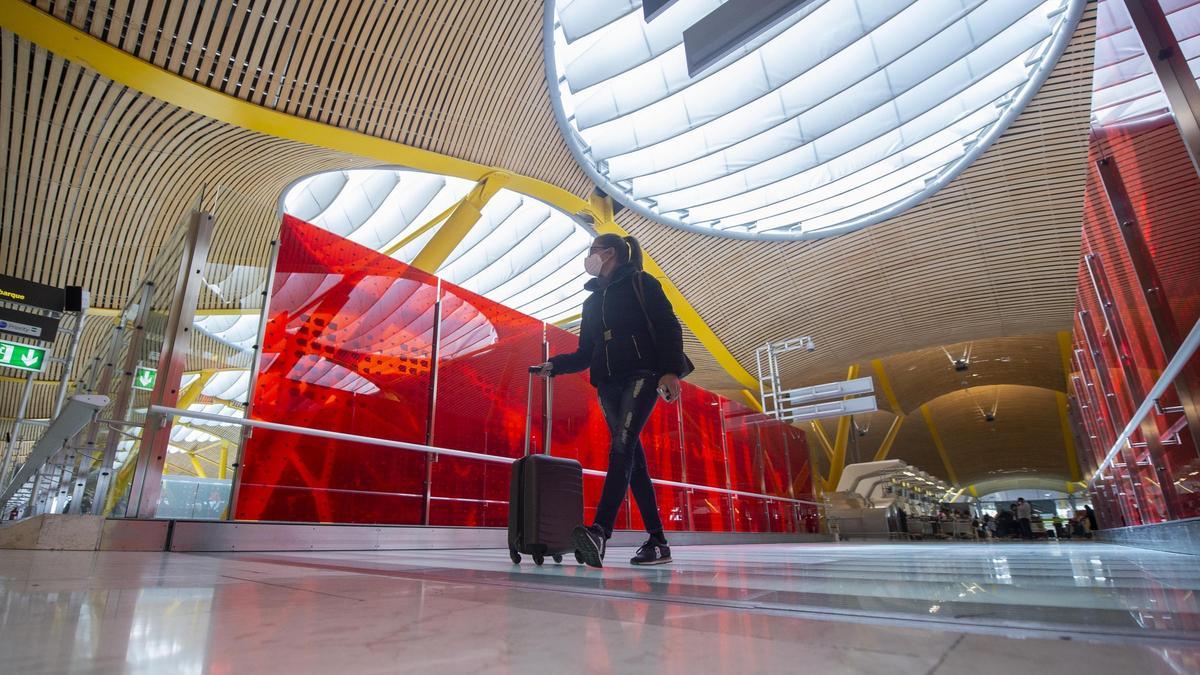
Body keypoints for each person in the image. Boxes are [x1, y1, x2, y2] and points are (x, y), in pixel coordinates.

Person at [536, 233, 687, 568]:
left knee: (621, 446)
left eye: (592, 252)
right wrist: (555, 366)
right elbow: (585, 352)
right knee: (633, 460)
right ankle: (658, 541)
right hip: (606, 381)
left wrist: (670, 371)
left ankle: (600, 530)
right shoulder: (592, 302)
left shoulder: (640, 282)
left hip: (642, 374)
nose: (588, 258)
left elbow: (667, 326)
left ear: (610, 253)